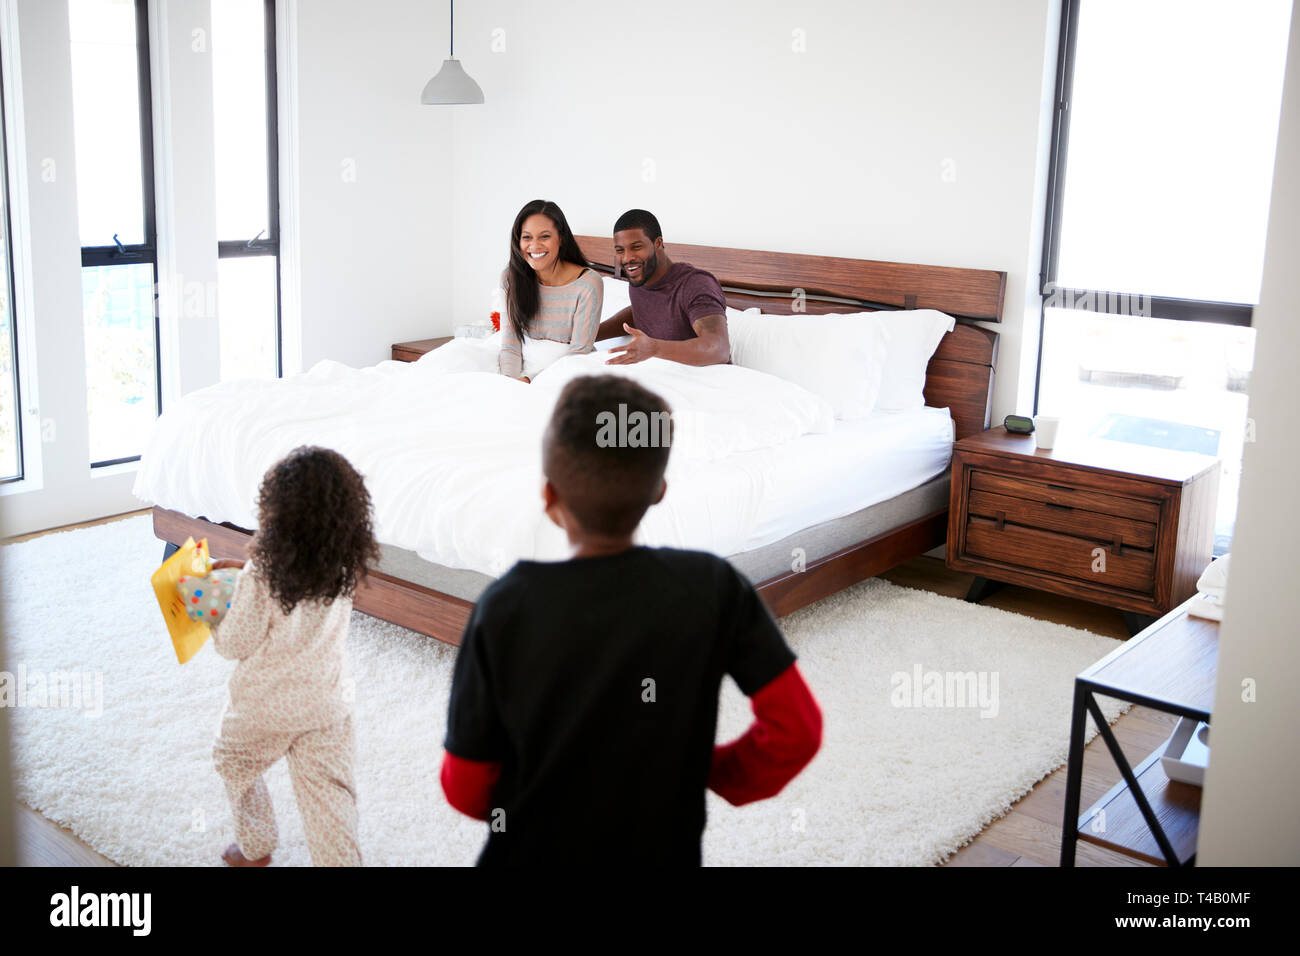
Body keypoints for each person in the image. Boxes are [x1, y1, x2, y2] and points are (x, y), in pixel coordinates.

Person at [440, 375, 822, 865]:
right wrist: (711, 771)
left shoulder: (505, 605)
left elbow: (465, 786)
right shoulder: (713, 587)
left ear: (549, 495)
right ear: (660, 490)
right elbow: (797, 729)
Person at [208, 446, 380, 867]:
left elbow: (234, 643)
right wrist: (244, 575)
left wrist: (213, 609)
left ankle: (257, 845)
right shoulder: (341, 563)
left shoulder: (263, 572)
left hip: (262, 707)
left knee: (233, 762)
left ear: (274, 517)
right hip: (325, 705)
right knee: (329, 793)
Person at [598, 208, 731, 367]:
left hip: (706, 382)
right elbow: (643, 311)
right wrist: (589, 334)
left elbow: (718, 350)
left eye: (636, 247)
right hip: (661, 378)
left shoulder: (695, 284)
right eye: (620, 250)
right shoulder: (640, 278)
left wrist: (654, 348)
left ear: (658, 243)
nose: (627, 258)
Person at [499, 199, 603, 382]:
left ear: (561, 238)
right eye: (527, 237)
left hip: (569, 374)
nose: (535, 245)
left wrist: (531, 380)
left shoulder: (588, 284)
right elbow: (510, 345)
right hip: (520, 373)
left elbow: (579, 353)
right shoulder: (510, 278)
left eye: (545, 236)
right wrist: (509, 383)